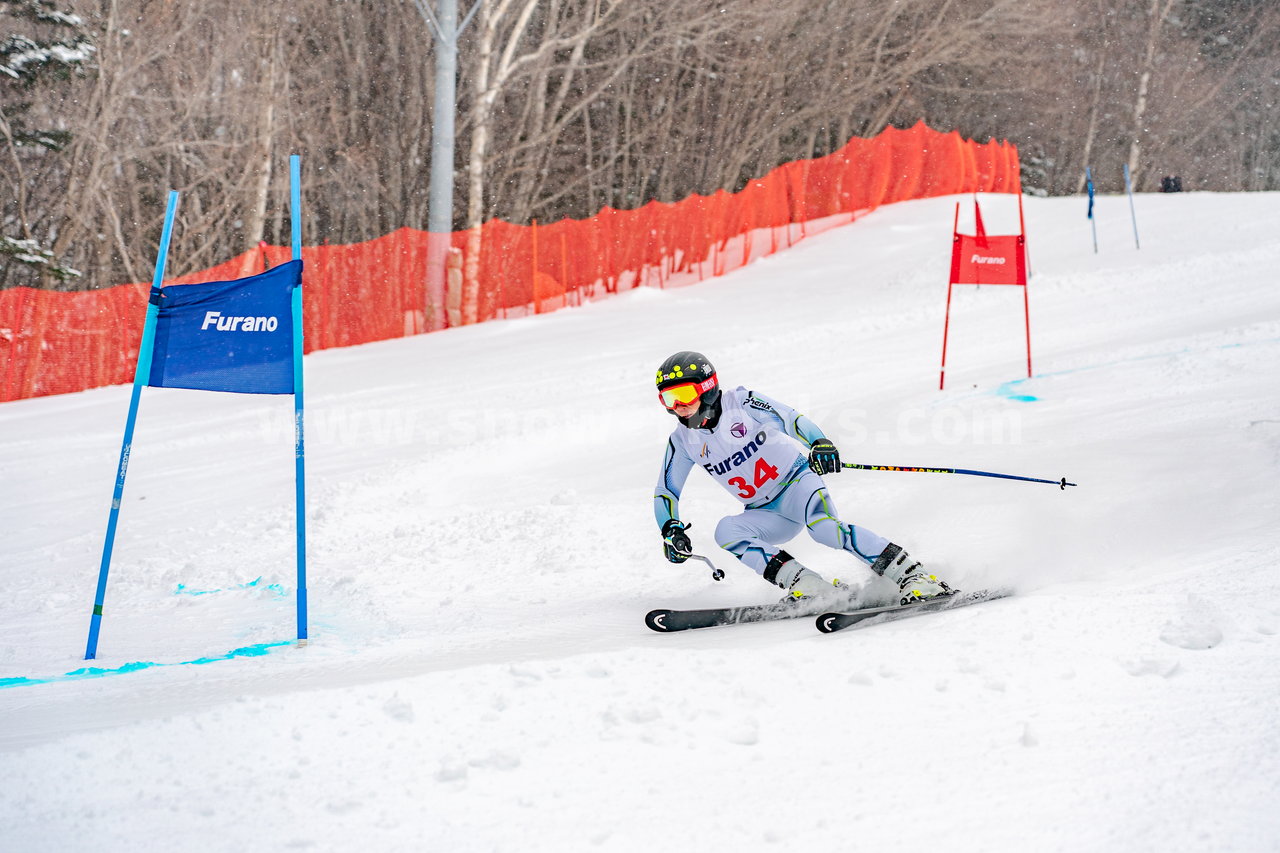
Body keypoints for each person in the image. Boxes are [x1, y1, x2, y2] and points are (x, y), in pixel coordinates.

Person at [652, 350, 951, 604]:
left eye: (683, 395)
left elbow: (790, 419)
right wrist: (670, 529)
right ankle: (809, 586)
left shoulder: (741, 403)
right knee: (726, 532)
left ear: (707, 388)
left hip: (797, 483)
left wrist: (818, 442)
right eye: (668, 399)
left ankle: (915, 575)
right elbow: (666, 491)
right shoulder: (683, 441)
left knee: (825, 530)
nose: (677, 407)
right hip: (764, 512)